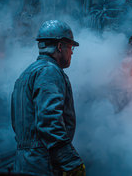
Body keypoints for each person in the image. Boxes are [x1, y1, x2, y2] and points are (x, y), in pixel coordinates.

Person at [11, 20, 85, 176]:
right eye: (70, 47)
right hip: (43, 164)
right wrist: (70, 161)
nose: (71, 52)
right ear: (60, 46)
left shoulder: (25, 75)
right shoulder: (49, 72)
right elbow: (49, 122)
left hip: (24, 162)